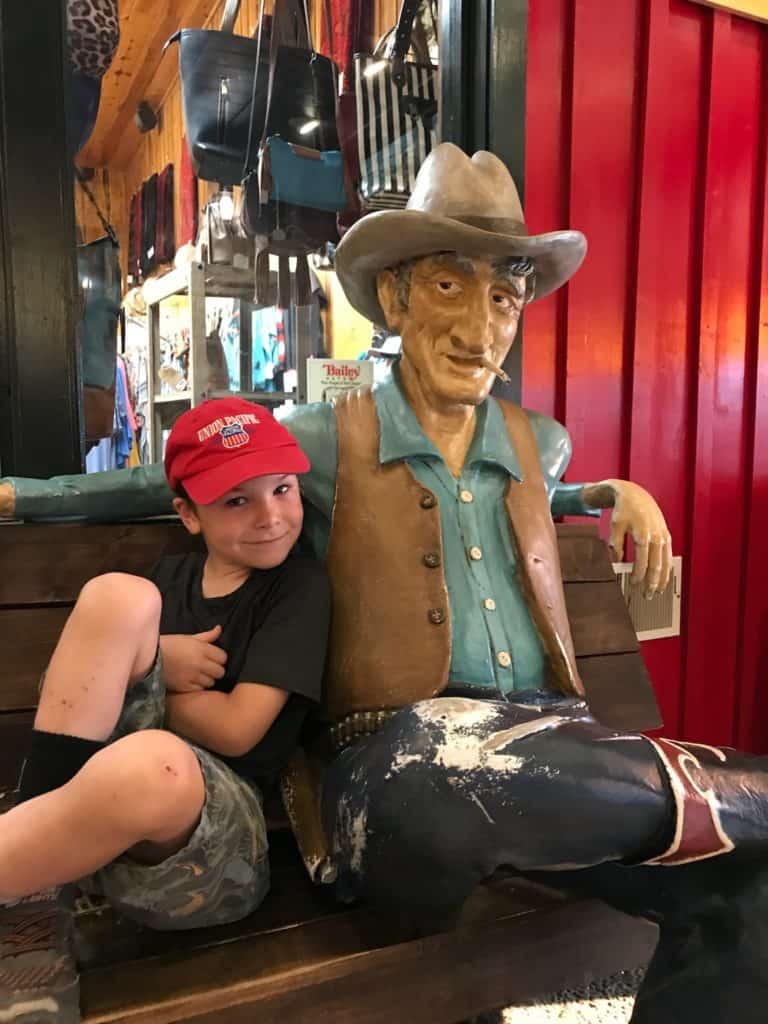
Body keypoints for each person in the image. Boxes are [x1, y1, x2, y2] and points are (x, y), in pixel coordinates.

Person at [1, 145, 766, 1020]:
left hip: (551, 756)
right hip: (393, 772)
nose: (481, 330)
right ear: (395, 296)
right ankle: (736, 795)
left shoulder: (536, 443)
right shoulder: (325, 438)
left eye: (505, 297)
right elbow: (173, 480)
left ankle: (728, 811)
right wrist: (25, 494)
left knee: (752, 894)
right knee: (438, 779)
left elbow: (528, 494)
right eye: (450, 287)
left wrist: (605, 492)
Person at [0, 397, 330, 931]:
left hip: (208, 850)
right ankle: (33, 833)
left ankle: (27, 876)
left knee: (154, 763)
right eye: (237, 501)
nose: (270, 516)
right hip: (91, 817)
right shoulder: (165, 579)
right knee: (116, 596)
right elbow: (74, 692)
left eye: (283, 489)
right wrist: (158, 660)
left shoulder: (299, 588)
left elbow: (238, 730)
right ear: (188, 515)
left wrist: (153, 671)